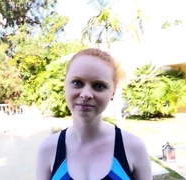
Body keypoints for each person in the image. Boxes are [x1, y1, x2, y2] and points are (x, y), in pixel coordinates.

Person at [36, 48, 152, 180]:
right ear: (65, 84)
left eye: (99, 85)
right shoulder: (48, 149)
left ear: (113, 92)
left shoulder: (133, 147)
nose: (85, 94)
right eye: (77, 82)